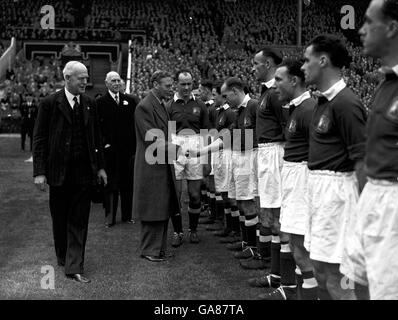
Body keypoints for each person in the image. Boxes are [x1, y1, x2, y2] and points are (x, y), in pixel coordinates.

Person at [300, 34, 367, 299]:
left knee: (337, 276)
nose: (303, 66)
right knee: (320, 270)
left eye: (307, 60)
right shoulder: (324, 101)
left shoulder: (346, 104)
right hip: (319, 191)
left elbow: (363, 160)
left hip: (338, 194)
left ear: (323, 60)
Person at [340, 0, 398, 300]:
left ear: (391, 28)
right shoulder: (386, 81)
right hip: (374, 197)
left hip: (392, 203)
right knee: (361, 283)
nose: (360, 30)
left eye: (368, 22)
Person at [33, 61, 107, 284]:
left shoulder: (89, 104)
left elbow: (96, 137)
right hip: (58, 173)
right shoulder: (49, 103)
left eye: (86, 77)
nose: (86, 81)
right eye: (81, 78)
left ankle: (75, 265)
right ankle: (63, 256)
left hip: (84, 172)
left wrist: (101, 167)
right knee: (60, 218)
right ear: (67, 78)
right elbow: (40, 139)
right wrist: (39, 172)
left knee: (79, 219)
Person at [273, 58, 318, 300]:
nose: (275, 85)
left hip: (302, 180)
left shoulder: (308, 109)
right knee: (298, 248)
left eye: (279, 80)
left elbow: (319, 150)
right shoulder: (295, 108)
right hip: (293, 178)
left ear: (294, 80)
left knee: (303, 249)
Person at [133, 70, 180, 262]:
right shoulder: (145, 106)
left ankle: (158, 248)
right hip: (151, 165)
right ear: (155, 84)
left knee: (162, 206)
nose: (171, 89)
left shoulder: (160, 104)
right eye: (168, 86)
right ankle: (149, 250)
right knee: (153, 207)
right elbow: (152, 140)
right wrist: (180, 149)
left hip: (161, 162)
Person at [167, 69, 210, 245]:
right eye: (183, 83)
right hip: (175, 147)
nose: (186, 87)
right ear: (176, 84)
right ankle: (177, 232)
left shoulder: (200, 105)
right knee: (175, 194)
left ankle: (193, 230)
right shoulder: (169, 105)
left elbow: (207, 133)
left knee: (194, 195)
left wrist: (207, 159)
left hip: (196, 148)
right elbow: (167, 133)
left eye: (189, 84)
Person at [97, 71, 139, 228]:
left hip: (127, 152)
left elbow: (134, 126)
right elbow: (97, 128)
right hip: (109, 152)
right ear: (107, 83)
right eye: (113, 81)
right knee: (110, 185)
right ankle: (110, 217)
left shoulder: (130, 101)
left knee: (127, 185)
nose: (116, 83)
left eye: (118, 80)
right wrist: (104, 144)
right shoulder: (100, 102)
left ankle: (127, 215)